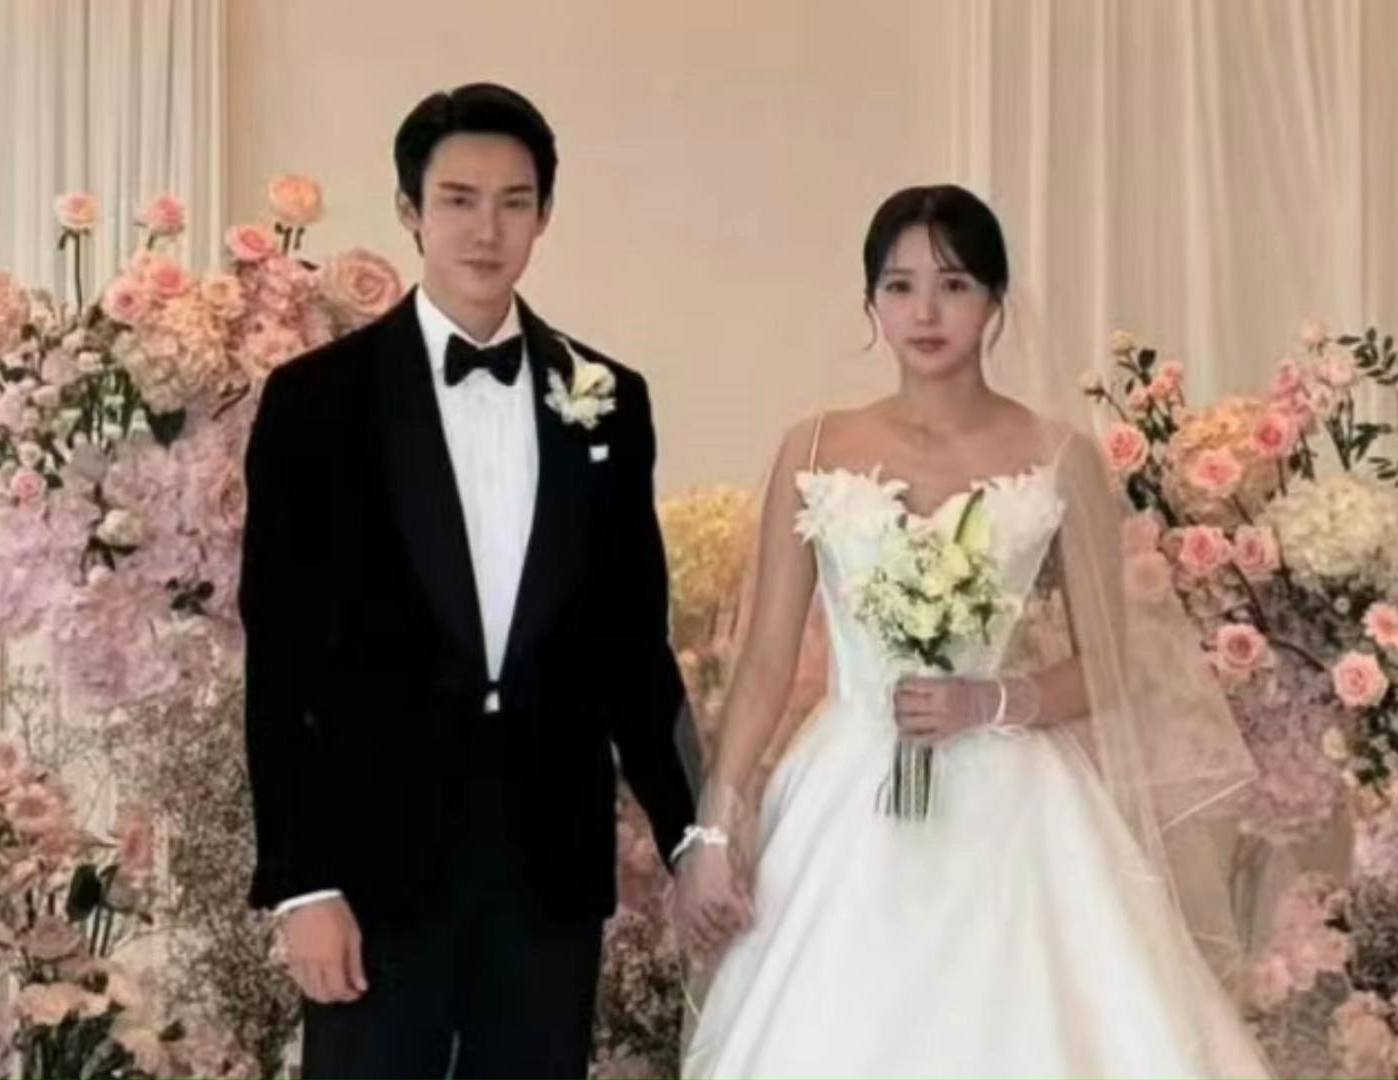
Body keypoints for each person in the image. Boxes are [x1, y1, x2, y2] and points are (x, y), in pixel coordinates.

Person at [672, 184, 1271, 1078]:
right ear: (871, 302)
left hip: (1011, 796)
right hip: (846, 786)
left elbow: (1110, 667)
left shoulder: (1059, 456)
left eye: (953, 285)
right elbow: (764, 663)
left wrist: (988, 701)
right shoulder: (814, 446)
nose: (925, 312)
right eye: (900, 286)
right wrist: (716, 829)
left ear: (994, 300)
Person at [239, 82, 696, 1078]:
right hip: (372, 872)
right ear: (410, 210)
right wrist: (302, 882)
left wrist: (689, 831)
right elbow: (281, 658)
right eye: (458, 199)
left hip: (546, 868)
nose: (486, 230)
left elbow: (631, 642)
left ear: (545, 214)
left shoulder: (607, 399)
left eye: (514, 202)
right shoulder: (317, 401)